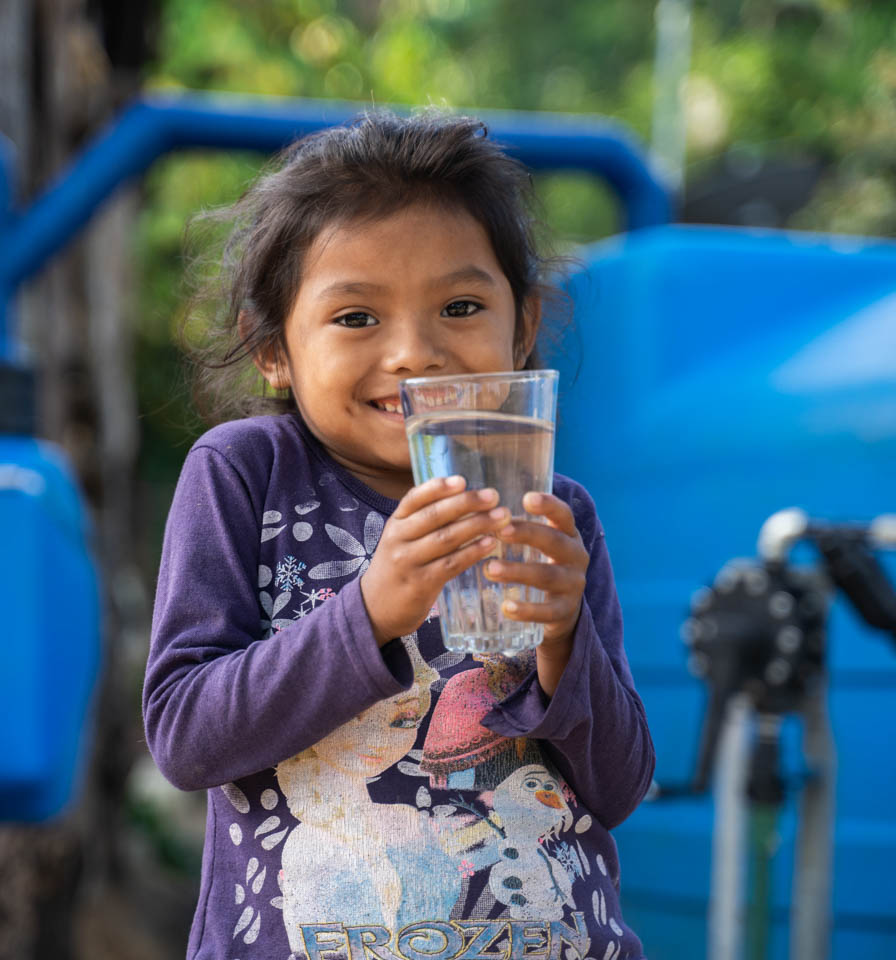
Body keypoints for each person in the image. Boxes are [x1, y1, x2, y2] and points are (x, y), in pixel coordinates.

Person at [143, 110, 655, 960]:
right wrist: (370, 609)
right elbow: (187, 736)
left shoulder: (557, 509)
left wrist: (564, 637)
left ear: (521, 328)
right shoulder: (246, 476)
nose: (416, 353)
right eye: (356, 317)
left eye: (460, 306)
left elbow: (621, 782)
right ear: (273, 347)